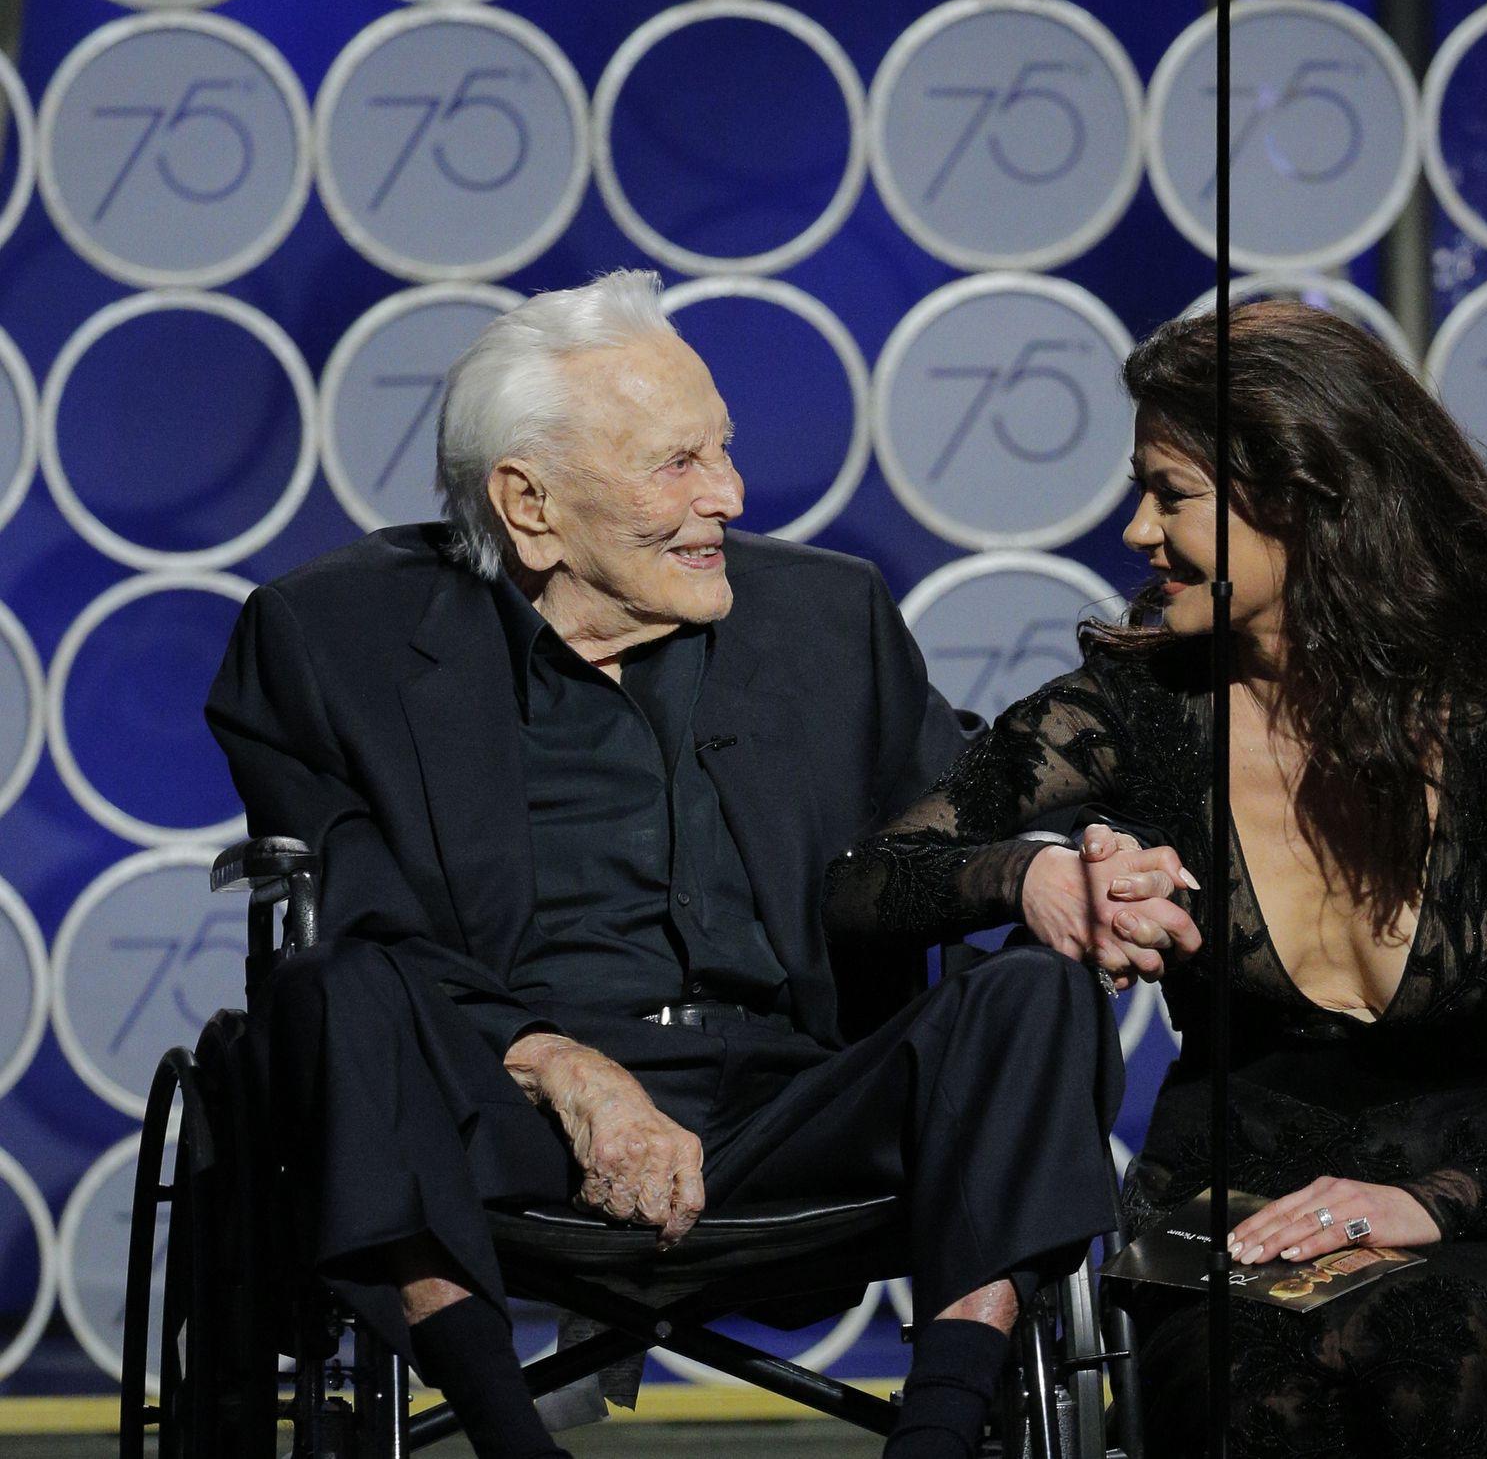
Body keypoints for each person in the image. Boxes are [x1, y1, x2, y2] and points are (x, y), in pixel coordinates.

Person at [207, 269, 1183, 1459]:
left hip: (793, 1101)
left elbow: (950, 819)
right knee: (327, 992)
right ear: (530, 504)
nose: (726, 493)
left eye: (719, 450)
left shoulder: (829, 617)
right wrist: (564, 1069)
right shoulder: (327, 641)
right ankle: (509, 1436)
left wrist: (1031, 872)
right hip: (500, 1109)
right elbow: (361, 924)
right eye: (677, 464)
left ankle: (936, 1433)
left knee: (1034, 993)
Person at [823, 300, 1487, 1457]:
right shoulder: (1137, 709)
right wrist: (1034, 877)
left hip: (1472, 1214)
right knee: (1259, 1394)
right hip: (1223, 1215)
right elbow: (866, 880)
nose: (1135, 530)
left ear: (1305, 498)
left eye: (1170, 492)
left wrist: (1424, 1207)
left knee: (1441, 1355)